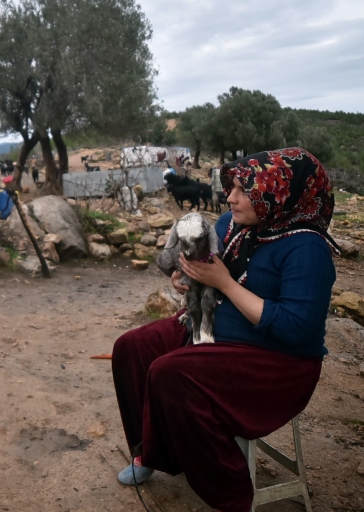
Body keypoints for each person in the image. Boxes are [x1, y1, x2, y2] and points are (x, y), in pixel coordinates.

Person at [108, 148, 336, 512]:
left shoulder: (307, 248)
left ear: (277, 195)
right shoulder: (233, 225)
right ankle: (150, 450)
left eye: (244, 191)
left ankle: (233, 497)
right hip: (212, 327)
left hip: (275, 362)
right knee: (132, 347)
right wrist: (190, 278)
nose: (230, 197)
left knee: (171, 375)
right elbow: (208, 268)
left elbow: (295, 328)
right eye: (232, 188)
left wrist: (225, 283)